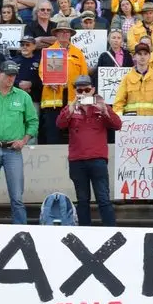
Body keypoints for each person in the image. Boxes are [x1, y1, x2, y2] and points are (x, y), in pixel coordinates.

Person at [0, 60, 39, 224]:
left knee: (17, 197)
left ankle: (21, 232)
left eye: (13, 75)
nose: (11, 78)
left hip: (13, 150)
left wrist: (23, 141)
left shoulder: (23, 96)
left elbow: (33, 122)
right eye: (8, 75)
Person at [57, 74, 122, 227]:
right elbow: (60, 124)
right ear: (76, 92)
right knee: (82, 200)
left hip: (97, 160)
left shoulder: (101, 106)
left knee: (103, 199)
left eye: (87, 90)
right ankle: (84, 233)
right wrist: (71, 108)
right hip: (77, 160)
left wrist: (105, 109)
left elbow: (117, 125)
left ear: (92, 90)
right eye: (80, 91)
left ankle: (111, 231)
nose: (84, 94)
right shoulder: (71, 107)